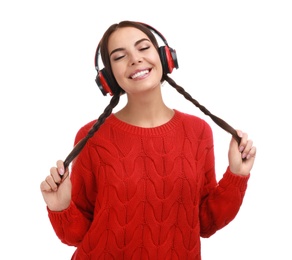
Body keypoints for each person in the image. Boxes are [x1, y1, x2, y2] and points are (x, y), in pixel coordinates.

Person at [40, 20, 256, 260]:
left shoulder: (198, 131)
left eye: (143, 48)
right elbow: (76, 235)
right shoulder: (91, 137)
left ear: (164, 57)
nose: (135, 59)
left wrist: (237, 175)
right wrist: (60, 207)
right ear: (109, 78)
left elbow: (204, 223)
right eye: (120, 56)